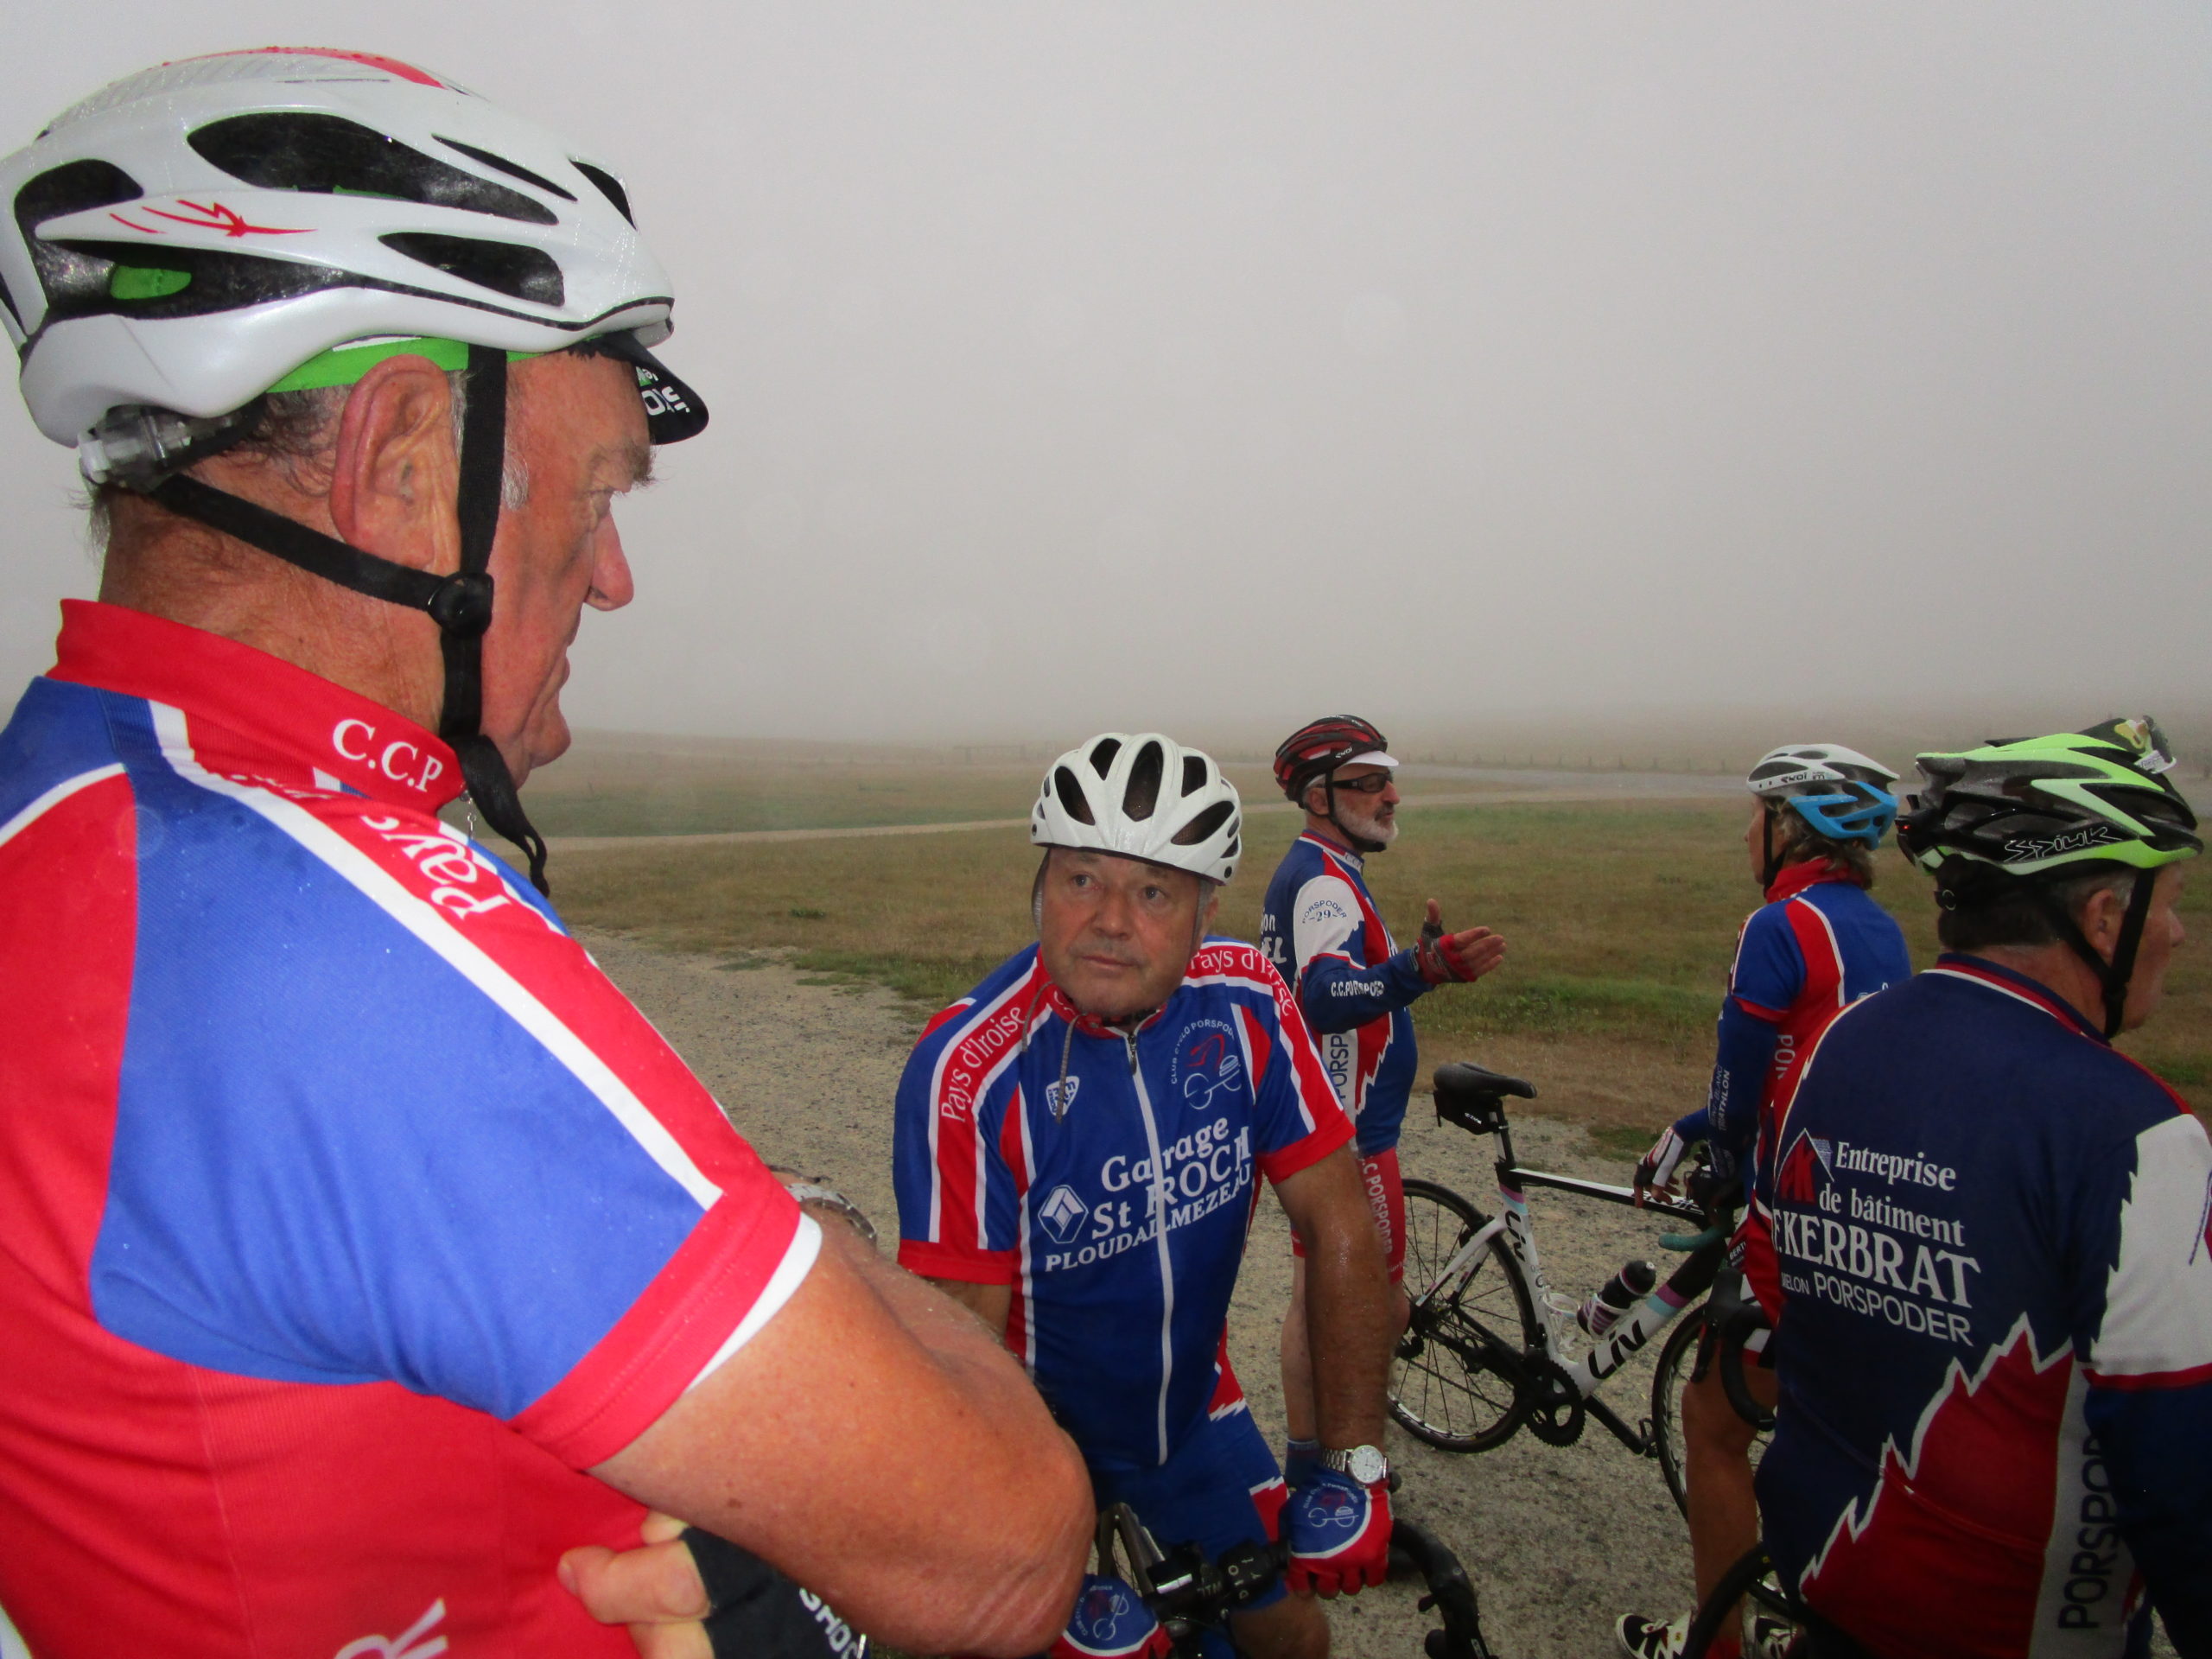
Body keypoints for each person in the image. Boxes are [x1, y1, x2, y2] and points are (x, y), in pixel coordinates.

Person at [0, 50, 1088, 1656]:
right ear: (405, 464)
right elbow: (1006, 1547)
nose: (619, 576)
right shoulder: (318, 932)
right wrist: (829, 1248)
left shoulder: (68, 805)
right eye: (596, 490)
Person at [896, 732, 1399, 1659]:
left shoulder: (1247, 1003)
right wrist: (1030, 1575)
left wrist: (1355, 1458)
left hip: (1186, 1410)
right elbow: (956, 1356)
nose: (1111, 920)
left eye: (1154, 891)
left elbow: (1338, 1224)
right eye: (1081, 880)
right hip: (1036, 1443)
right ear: (1039, 887)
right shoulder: (970, 1075)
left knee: (1294, 1640)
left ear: (1208, 910)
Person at [1750, 718, 2207, 1659]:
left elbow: (1783, 1282)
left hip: (1831, 1595)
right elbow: (2182, 1478)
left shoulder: (1837, 1046)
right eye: (2169, 900)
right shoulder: (2138, 1133)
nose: (2180, 932)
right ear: (2103, 919)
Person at [1616, 745, 1913, 1659]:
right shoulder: (1882, 930)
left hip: (1798, 1219)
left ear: (1793, 829)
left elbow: (1743, 1081)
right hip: (1878, 1218)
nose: (1748, 828)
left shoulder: (1778, 925)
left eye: (1759, 812)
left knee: (1712, 1425)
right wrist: (1700, 1121)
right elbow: (1818, 1058)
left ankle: (1715, 1645)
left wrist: (1726, 1157)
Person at [1259, 715, 1505, 1485]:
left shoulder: (1323, 871)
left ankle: (1315, 1460)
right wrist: (1417, 971)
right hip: (1350, 1135)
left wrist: (1411, 970)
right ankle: (1345, 1468)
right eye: (1367, 783)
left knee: (1320, 1300)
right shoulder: (1325, 883)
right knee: (1371, 1312)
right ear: (1319, 797)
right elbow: (1327, 995)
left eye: (1387, 780)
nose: (1390, 795)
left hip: (1330, 1126)